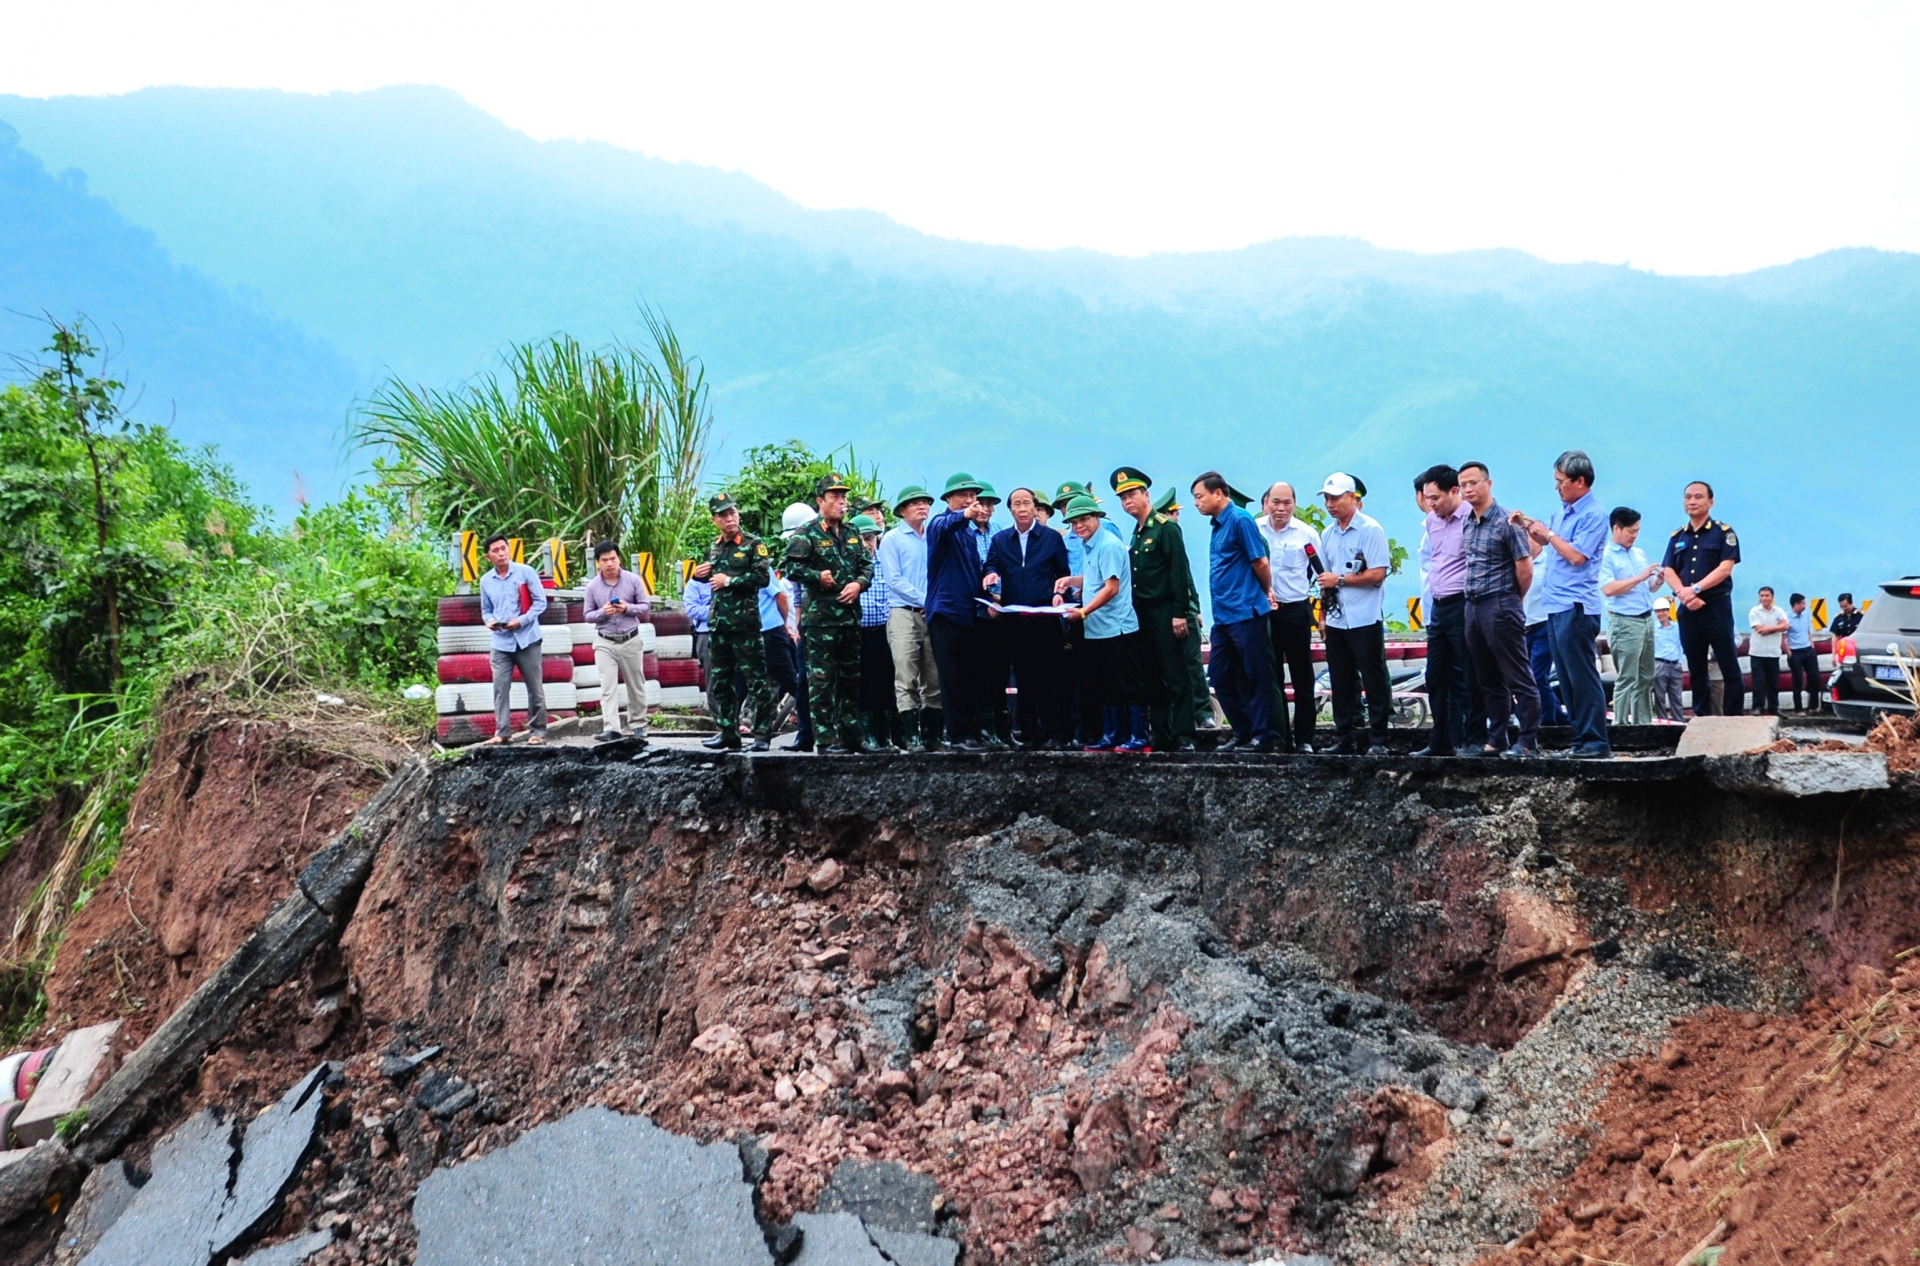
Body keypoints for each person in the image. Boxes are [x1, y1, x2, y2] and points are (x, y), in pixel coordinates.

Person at [1512, 450, 1611, 759]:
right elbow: (1547, 541)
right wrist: (1529, 525)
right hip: (1555, 606)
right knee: (1565, 677)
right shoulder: (1562, 512)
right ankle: (1580, 739)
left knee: (1581, 675)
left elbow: (1576, 556)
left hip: (1576, 605)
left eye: (1561, 481)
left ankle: (1595, 741)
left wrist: (1549, 534)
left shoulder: (1594, 515)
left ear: (1580, 481)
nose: (1557, 487)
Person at [786, 474, 876, 753]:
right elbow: (789, 568)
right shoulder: (807, 534)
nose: (841, 501)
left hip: (849, 619)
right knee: (822, 682)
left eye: (843, 496)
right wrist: (816, 577)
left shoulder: (851, 534)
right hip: (821, 621)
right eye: (835, 497)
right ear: (820, 501)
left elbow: (867, 566)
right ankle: (825, 740)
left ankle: (852, 737)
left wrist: (858, 584)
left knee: (850, 680)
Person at [1054, 494, 1152, 752]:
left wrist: (1084, 612)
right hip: (1097, 629)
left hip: (1117, 627)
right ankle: (1112, 735)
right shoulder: (1090, 546)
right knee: (1106, 683)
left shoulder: (1108, 544)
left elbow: (1111, 588)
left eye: (1084, 519)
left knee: (1128, 682)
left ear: (1097, 517)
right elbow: (1095, 578)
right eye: (1074, 522)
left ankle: (1139, 736)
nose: (1079, 526)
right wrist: (1071, 581)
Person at [1458, 461, 1540, 757]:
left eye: (1473, 483)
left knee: (1518, 675)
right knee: (1488, 678)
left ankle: (1528, 741)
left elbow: (1525, 568)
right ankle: (1497, 739)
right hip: (1473, 605)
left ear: (1488, 484)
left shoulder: (1507, 522)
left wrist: (1511, 601)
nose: (1468, 489)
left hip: (1501, 602)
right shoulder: (1468, 522)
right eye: (1463, 484)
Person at [1193, 472, 1280, 752]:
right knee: (1219, 676)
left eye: (1199, 496)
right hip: (1224, 617)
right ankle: (1244, 731)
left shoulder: (1240, 519)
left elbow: (1261, 562)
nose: (1197, 503)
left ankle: (1263, 736)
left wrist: (1265, 592)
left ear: (1218, 493)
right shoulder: (1217, 525)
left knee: (1257, 676)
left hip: (1246, 612)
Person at [1113, 468, 1196, 752]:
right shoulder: (1136, 534)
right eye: (1123, 498)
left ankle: (1185, 734)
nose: (1128, 502)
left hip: (1165, 612)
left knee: (1176, 676)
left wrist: (1179, 613)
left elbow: (1178, 572)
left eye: (1132, 495)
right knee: (1151, 678)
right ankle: (1162, 734)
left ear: (1146, 494)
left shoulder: (1165, 527)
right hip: (1141, 614)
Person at [984, 487, 1072, 747]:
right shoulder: (1001, 540)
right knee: (1024, 681)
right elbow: (991, 564)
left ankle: (1055, 734)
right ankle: (1030, 736)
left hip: (1045, 618)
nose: (1022, 509)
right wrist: (990, 575)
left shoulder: (1050, 538)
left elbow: (1062, 572)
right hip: (1014, 621)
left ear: (1035, 508)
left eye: (1026, 504)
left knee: (1050, 680)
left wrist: (1059, 594)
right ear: (1010, 509)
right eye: (1016, 504)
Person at [1315, 472, 1392, 755]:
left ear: (1352, 498)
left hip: (1365, 617)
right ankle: (1344, 736)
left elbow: (1377, 574)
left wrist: (1342, 580)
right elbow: (1325, 579)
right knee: (1341, 679)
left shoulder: (1371, 530)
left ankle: (1379, 738)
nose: (1330, 504)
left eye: (1335, 498)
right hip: (1337, 618)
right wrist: (1322, 616)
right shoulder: (1327, 533)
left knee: (1373, 679)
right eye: (1326, 498)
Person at [692, 495, 775, 751]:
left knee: (757, 680)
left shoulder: (753, 544)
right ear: (714, 519)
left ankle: (762, 736)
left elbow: (762, 577)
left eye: (732, 513)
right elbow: (710, 578)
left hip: (745, 624)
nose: (730, 519)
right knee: (721, 681)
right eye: (723, 515)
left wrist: (729, 581)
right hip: (719, 624)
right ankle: (728, 731)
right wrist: (698, 575)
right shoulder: (714, 547)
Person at [1660, 481, 1744, 716]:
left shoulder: (1723, 533)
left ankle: (1734, 717)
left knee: (1729, 666)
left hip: (1715, 607)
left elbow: (1725, 568)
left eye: (1698, 497)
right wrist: (1684, 595)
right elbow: (1668, 570)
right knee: (1696, 668)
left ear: (1710, 502)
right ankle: (1702, 717)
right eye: (1688, 497)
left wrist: (1695, 589)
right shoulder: (1678, 536)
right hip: (1688, 610)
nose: (1692, 502)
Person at [926, 472, 989, 750]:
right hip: (945, 612)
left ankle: (972, 731)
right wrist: (964, 515)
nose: (970, 500)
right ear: (948, 498)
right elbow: (945, 526)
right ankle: (957, 735)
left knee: (970, 676)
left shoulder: (969, 535)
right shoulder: (940, 524)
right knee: (951, 678)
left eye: (974, 496)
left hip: (968, 612)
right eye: (963, 495)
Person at [1413, 465, 1472, 756]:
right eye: (1427, 498)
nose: (1431, 504)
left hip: (1463, 603)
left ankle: (1473, 739)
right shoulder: (1432, 523)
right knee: (1436, 675)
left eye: (1435, 497)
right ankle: (1440, 741)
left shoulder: (1471, 519)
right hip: (1438, 607)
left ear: (1454, 491)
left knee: (1468, 674)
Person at [877, 484, 941, 751]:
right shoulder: (893, 538)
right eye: (915, 503)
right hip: (904, 612)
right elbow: (893, 580)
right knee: (905, 674)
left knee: (934, 676)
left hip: (933, 613)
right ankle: (910, 737)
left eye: (925, 501)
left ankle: (932, 736)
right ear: (903, 510)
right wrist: (925, 599)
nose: (922, 506)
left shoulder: (934, 536)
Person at [1258, 481, 1320, 753]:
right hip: (1265, 612)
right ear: (1267, 503)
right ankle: (1279, 736)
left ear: (1294, 504)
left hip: (1296, 610)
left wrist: (1324, 616)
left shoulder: (1307, 534)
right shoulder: (1256, 529)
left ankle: (1305, 738)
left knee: (1302, 676)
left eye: (1287, 503)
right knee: (1272, 678)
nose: (1281, 508)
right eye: (1276, 502)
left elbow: (1322, 574)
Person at [478, 533, 550, 745]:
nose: (501, 553)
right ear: (488, 557)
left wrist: (521, 620)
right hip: (500, 641)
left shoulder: (526, 572)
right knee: (500, 688)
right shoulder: (485, 581)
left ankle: (537, 731)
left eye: (503, 548)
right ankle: (502, 732)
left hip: (527, 638)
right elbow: (486, 610)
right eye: (495, 551)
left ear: (509, 549)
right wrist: (490, 621)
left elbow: (540, 602)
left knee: (534, 687)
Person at [1155, 486, 1216, 731]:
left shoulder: (1175, 536)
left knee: (1192, 664)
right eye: (1173, 514)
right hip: (1165, 613)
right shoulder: (1160, 536)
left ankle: (1203, 712)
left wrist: (1194, 608)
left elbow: (1186, 577)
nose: (1177, 519)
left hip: (1185, 612)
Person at [1599, 507, 1662, 726]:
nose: (1634, 535)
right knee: (1627, 677)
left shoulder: (1638, 554)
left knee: (1645, 676)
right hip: (1625, 621)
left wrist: (1657, 580)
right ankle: (1620, 723)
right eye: (1630, 531)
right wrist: (1640, 577)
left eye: (1637, 530)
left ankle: (1642, 723)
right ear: (1616, 528)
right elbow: (1609, 588)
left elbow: (1647, 588)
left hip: (1646, 618)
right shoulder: (1606, 556)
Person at [584, 539, 652, 743]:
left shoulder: (633, 580)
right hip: (605, 641)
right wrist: (602, 613)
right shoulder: (592, 587)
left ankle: (638, 724)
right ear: (598, 562)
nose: (610, 563)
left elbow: (646, 606)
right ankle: (611, 727)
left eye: (613, 558)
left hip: (630, 638)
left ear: (619, 558)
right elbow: (587, 615)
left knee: (636, 683)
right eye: (604, 560)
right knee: (607, 686)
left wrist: (627, 608)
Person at [852, 515, 899, 749]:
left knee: (885, 683)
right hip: (856, 632)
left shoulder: (886, 562)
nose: (866, 544)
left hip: (884, 631)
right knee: (861, 685)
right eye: (861, 539)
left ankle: (886, 737)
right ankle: (867, 736)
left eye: (870, 538)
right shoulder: (848, 565)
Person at [1747, 586, 1788, 716]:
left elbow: (1786, 626)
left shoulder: (1779, 611)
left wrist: (1769, 629)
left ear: (1772, 597)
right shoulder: (1755, 611)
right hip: (1757, 651)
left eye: (1767, 595)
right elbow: (1760, 630)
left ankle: (1773, 707)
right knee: (1758, 681)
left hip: (1774, 652)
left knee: (1773, 681)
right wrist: (1777, 627)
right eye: (1762, 596)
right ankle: (1758, 707)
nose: (1764, 598)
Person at [1786, 593, 1822, 713]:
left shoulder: (1806, 615)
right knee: (1798, 681)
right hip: (1795, 652)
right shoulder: (1786, 618)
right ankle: (1798, 708)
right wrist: (1789, 652)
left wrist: (1812, 646)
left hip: (1808, 650)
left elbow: (1808, 632)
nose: (1804, 606)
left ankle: (1814, 706)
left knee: (1815, 677)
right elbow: (1783, 637)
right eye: (1802, 603)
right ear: (1795, 605)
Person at [1653, 600, 1686, 722]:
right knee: (1659, 696)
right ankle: (1662, 721)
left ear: (1668, 611)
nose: (1661, 614)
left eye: (1664, 610)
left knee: (1676, 696)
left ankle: (1678, 722)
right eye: (1658, 611)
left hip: (1675, 664)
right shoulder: (1653, 628)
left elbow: (1679, 644)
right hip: (1659, 663)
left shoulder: (1676, 627)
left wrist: (1680, 661)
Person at [683, 571, 713, 698]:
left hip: (733, 633)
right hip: (707, 634)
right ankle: (719, 717)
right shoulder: (695, 584)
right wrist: (715, 610)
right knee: (714, 680)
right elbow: (691, 610)